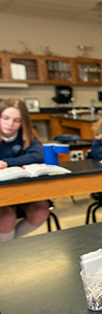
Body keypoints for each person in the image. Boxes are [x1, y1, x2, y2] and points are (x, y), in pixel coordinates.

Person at [0, 98, 49, 241]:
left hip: (25, 190)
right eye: (6, 118)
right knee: (5, 218)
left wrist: (6, 163)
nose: (10, 124)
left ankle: (9, 244)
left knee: (40, 211)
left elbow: (38, 156)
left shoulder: (27, 136)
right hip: (2, 193)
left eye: (17, 120)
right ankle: (7, 250)